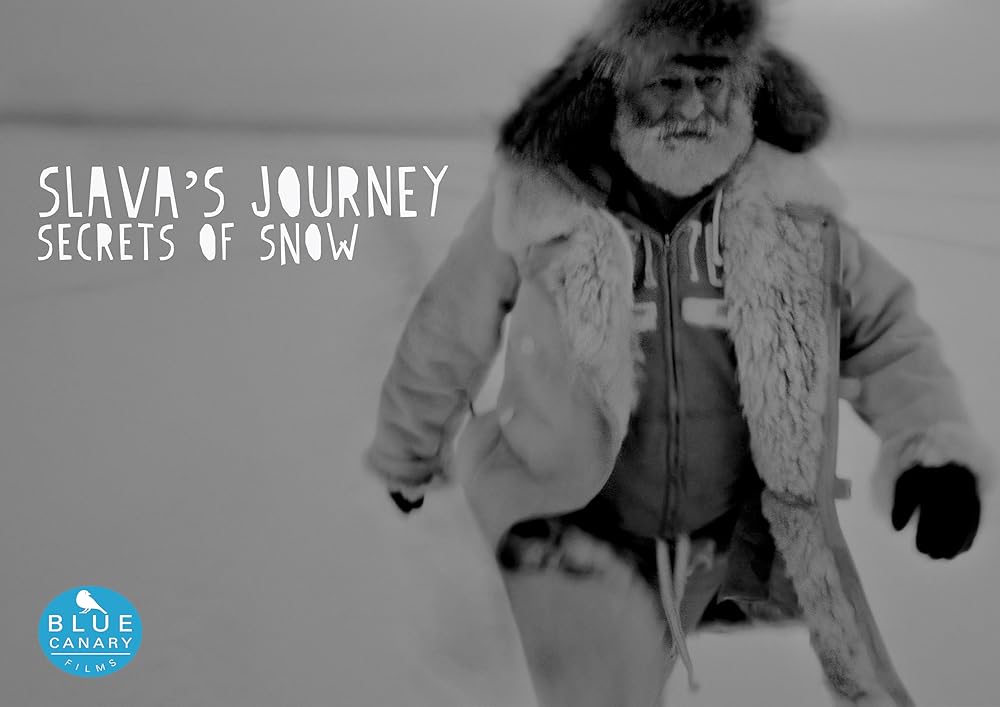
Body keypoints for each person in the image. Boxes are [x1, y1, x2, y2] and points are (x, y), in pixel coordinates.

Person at [365, 1, 993, 705]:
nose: (694, 106)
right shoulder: (545, 201)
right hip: (579, 541)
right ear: (620, 82)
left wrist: (931, 447)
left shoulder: (791, 214)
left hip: (722, 542)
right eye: (669, 82)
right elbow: (452, 322)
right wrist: (410, 447)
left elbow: (884, 330)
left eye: (712, 80)